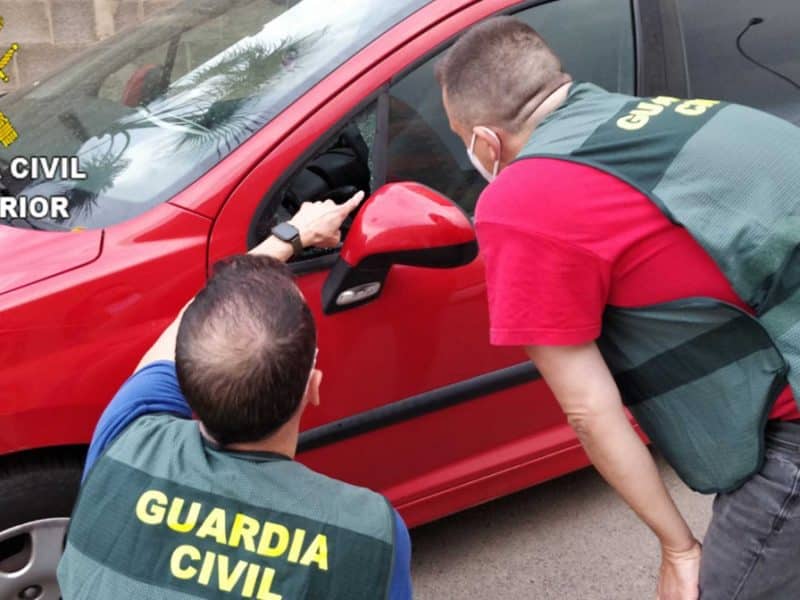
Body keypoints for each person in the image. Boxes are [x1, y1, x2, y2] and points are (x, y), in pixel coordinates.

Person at [436, 16, 800, 600]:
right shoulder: (660, 116)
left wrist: (679, 549)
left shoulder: (521, 197)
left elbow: (588, 408)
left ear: (483, 140)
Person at [57, 192, 413, 600]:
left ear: (184, 376)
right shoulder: (367, 532)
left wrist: (290, 236)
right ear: (313, 386)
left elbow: (190, 320)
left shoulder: (127, 438)